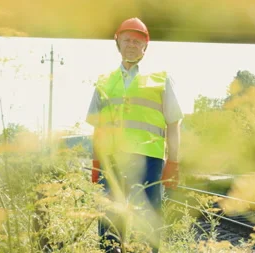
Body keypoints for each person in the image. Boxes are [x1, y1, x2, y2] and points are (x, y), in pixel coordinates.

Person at [86, 17, 184, 253]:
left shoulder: (161, 79)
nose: (131, 44)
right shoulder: (104, 82)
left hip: (148, 159)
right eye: (127, 39)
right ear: (117, 42)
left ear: (145, 46)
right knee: (110, 214)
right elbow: (98, 127)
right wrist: (96, 162)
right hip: (111, 159)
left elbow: (173, 123)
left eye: (137, 41)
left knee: (147, 216)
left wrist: (173, 162)